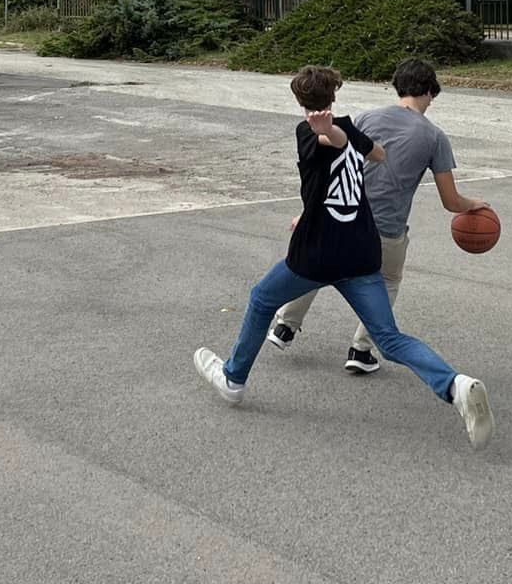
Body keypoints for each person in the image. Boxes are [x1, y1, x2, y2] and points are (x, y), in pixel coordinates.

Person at [194, 63, 493, 448]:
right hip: (361, 252)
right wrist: (342, 136)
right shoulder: (354, 128)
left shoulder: (311, 132)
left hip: (319, 252)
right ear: (333, 96)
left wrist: (328, 132)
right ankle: (456, 385)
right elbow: (380, 154)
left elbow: (328, 142)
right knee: (389, 338)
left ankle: (234, 380)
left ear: (299, 101)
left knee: (261, 298)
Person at [267, 57, 488, 373]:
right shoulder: (434, 137)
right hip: (384, 229)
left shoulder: (366, 118)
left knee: (319, 266)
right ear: (430, 91)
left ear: (398, 86)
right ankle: (361, 350)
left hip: (342, 217)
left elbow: (333, 170)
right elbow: (451, 201)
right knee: (388, 279)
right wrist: (476, 204)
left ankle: (285, 325)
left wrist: (308, 212)